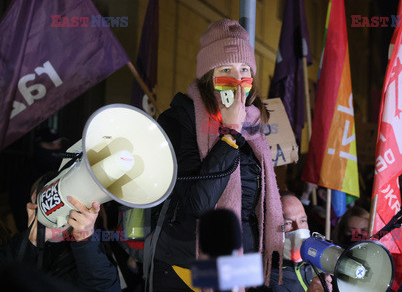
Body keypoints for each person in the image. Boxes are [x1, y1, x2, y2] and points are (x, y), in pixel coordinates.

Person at [149, 18, 284, 291]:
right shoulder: (179, 120)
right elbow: (198, 203)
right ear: (208, 77)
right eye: (226, 69)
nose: (237, 81)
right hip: (189, 269)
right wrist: (229, 135)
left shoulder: (254, 127)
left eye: (244, 69)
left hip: (240, 267)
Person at [0, 174, 121, 292]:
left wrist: (85, 240)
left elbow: (103, 285)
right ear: (33, 200)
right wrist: (32, 242)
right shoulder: (17, 245)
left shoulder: (86, 253)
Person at [263, 192, 332, 292]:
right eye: (287, 223)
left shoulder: (315, 264)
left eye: (303, 221)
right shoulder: (265, 280)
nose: (299, 229)